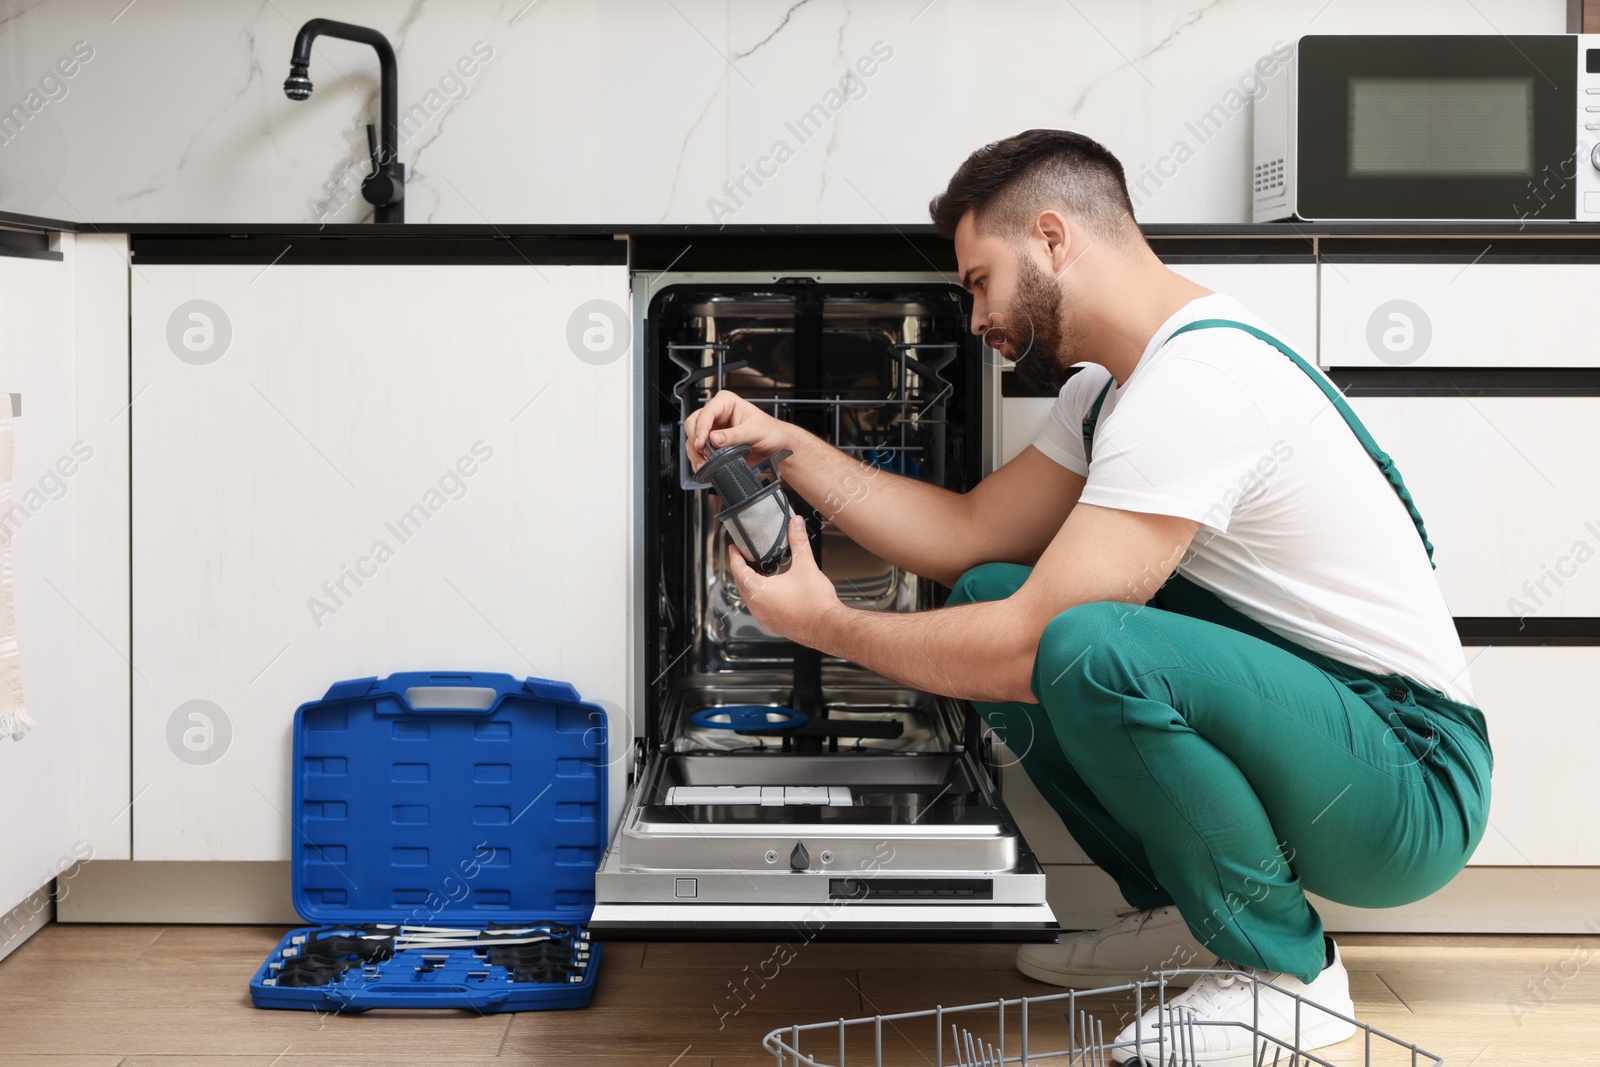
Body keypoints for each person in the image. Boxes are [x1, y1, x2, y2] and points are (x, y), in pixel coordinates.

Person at [682, 128, 1492, 1066]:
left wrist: (827, 624)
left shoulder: (1198, 383)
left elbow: (1030, 647)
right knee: (990, 589)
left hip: (1408, 780)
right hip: (1332, 737)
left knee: (1081, 647)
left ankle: (1291, 981)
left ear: (1054, 238)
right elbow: (969, 535)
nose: (977, 315)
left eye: (981, 279)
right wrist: (792, 447)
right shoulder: (1112, 390)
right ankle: (1188, 916)